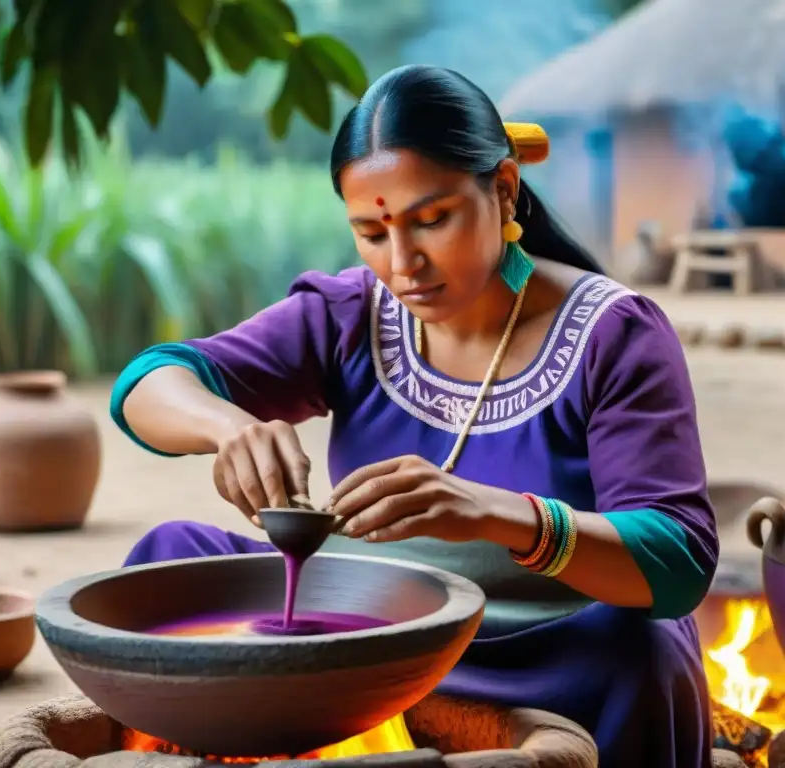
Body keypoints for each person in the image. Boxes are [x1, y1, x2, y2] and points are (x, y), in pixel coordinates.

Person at [111, 64, 718, 768]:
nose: (402, 264)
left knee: (639, 648)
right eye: (371, 231)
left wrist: (497, 514)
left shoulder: (612, 334)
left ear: (504, 189)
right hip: (359, 634)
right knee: (169, 557)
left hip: (528, 648)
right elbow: (147, 382)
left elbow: (676, 562)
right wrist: (228, 428)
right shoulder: (347, 316)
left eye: (432, 221)